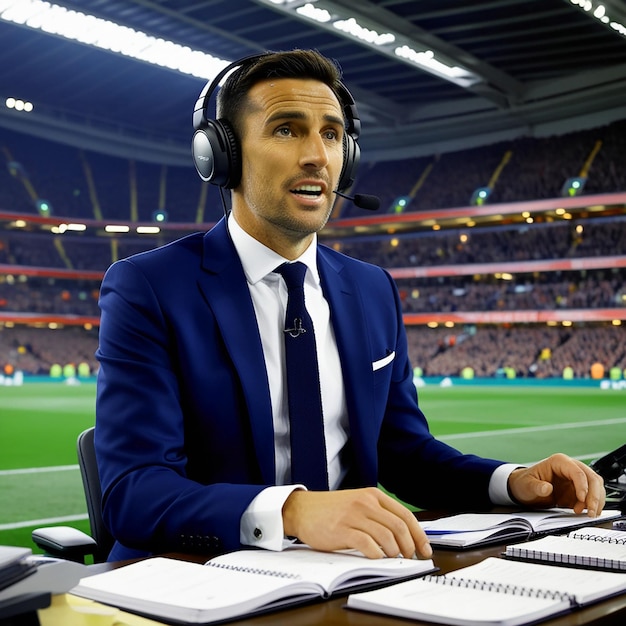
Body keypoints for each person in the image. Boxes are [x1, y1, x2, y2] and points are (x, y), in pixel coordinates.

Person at [94, 49, 605, 563]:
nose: (318, 154)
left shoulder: (372, 289)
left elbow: (403, 453)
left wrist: (512, 483)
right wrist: (292, 512)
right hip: (194, 582)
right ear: (221, 155)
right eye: (287, 130)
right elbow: (135, 492)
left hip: (347, 580)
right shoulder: (149, 287)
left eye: (332, 134)